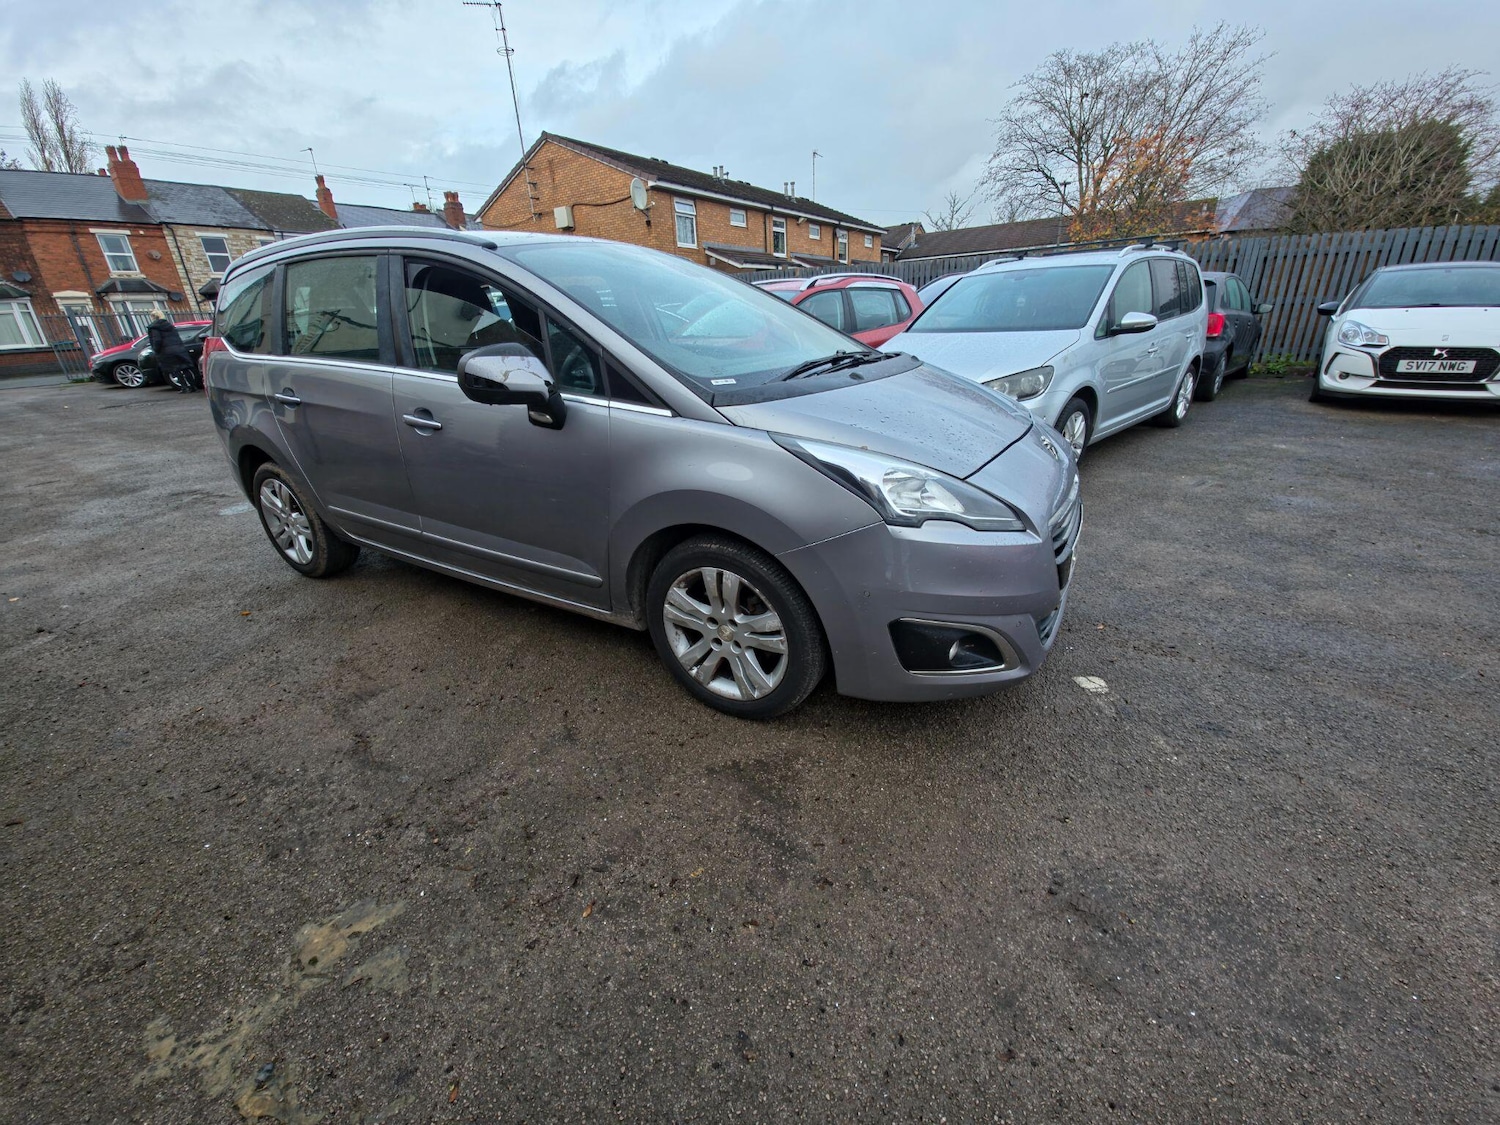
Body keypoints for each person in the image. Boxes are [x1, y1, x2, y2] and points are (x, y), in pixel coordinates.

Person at [146, 317, 198, 392]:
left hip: (167, 351)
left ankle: (184, 387)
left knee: (176, 369)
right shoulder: (170, 326)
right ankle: (193, 387)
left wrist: (155, 349)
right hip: (179, 349)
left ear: (153, 317)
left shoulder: (154, 328)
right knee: (186, 368)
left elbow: (157, 340)